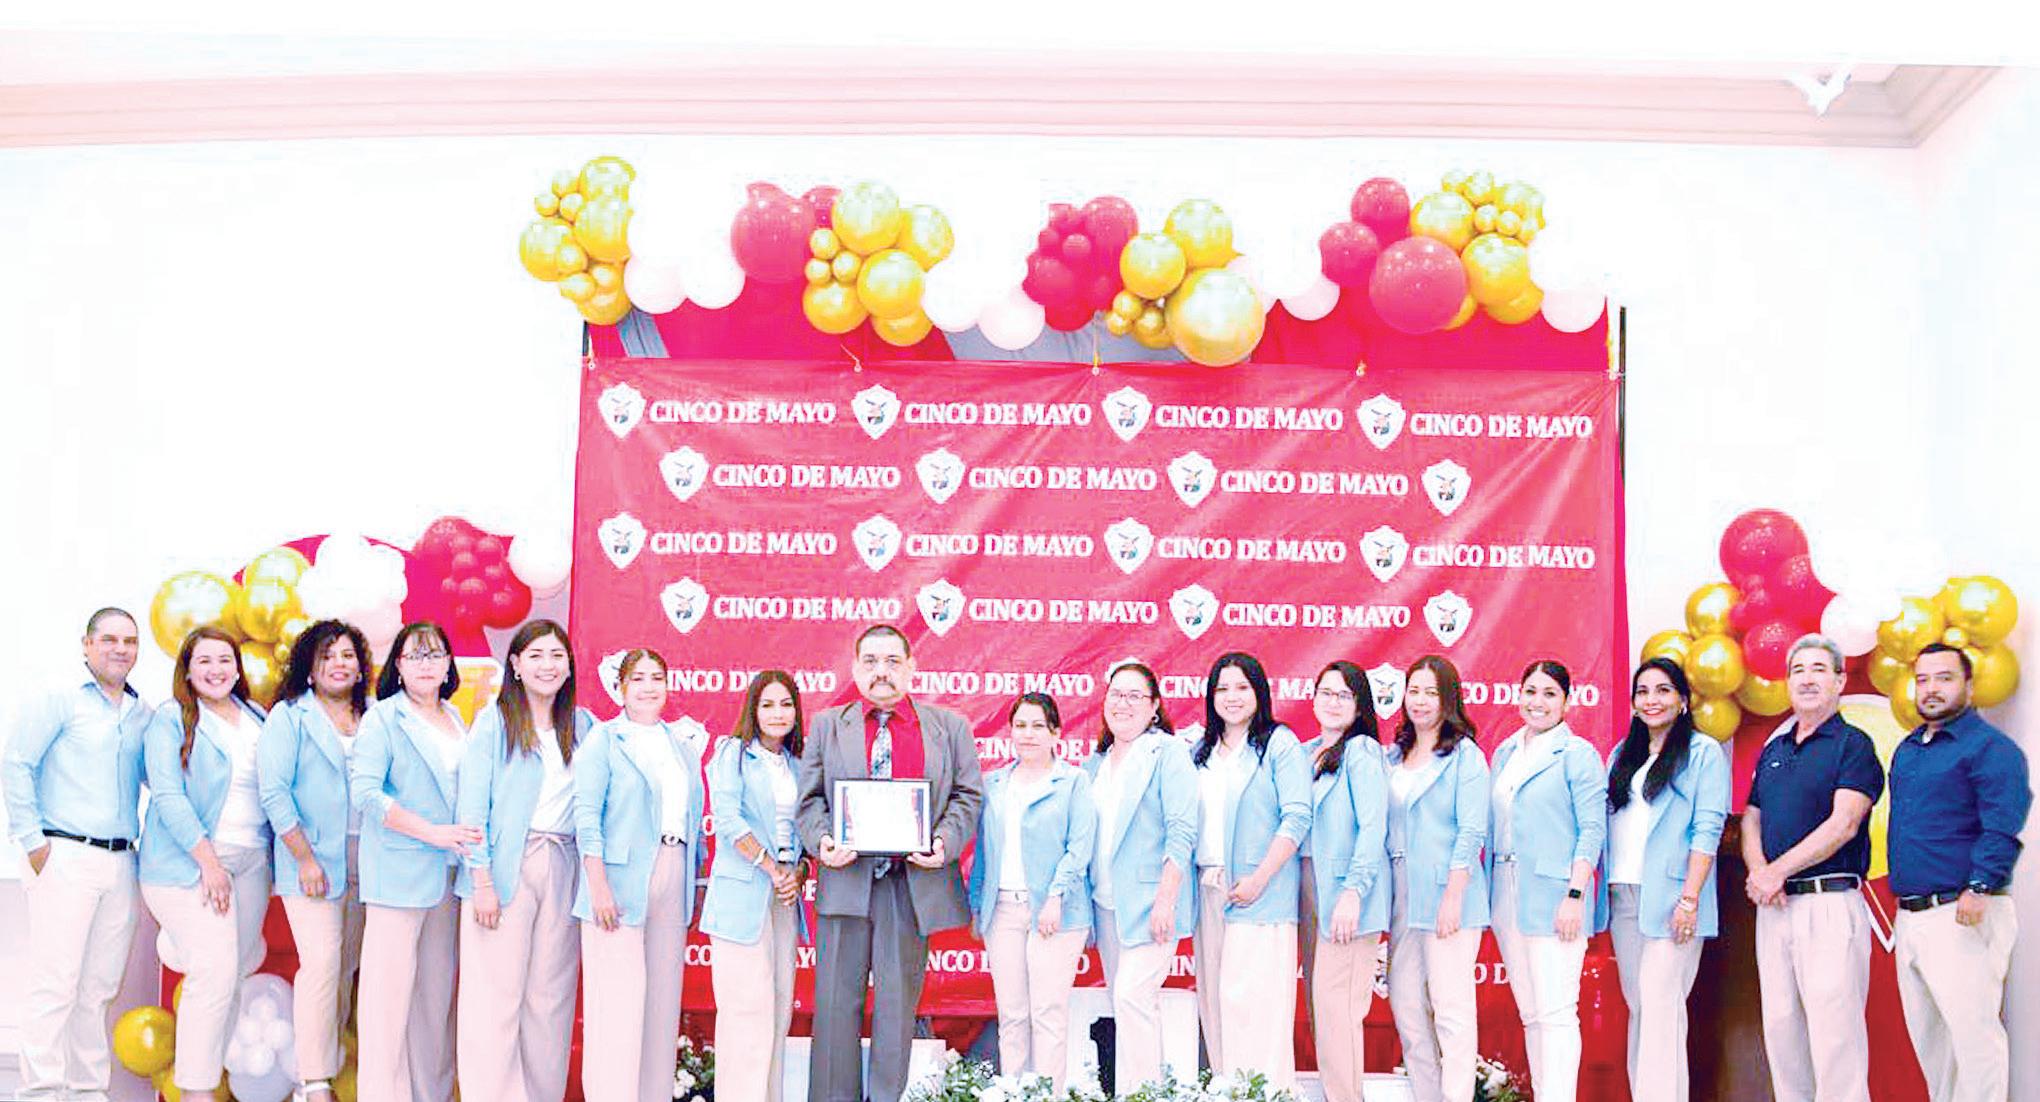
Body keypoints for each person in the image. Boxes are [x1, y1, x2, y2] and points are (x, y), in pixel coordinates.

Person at [796, 624, 984, 1102]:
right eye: (871, 662)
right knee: (834, 1008)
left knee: (897, 1010)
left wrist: (943, 841)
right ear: (855, 668)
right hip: (846, 881)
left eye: (892, 661)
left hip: (910, 886)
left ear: (911, 667)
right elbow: (810, 801)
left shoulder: (949, 728)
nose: (882, 672)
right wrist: (823, 841)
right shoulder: (827, 725)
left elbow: (967, 796)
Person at [3, 607, 149, 1101]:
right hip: (64, 854)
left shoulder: (141, 713)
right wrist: (33, 843)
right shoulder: (60, 698)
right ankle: (41, 1091)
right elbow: (17, 763)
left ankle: (87, 1091)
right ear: (86, 645)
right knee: (56, 983)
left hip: (121, 860)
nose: (120, 649)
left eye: (129, 641)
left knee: (99, 988)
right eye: (109, 639)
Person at [1742, 634, 1884, 1102]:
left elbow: (1843, 824)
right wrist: (1761, 872)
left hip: (1829, 903)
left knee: (1835, 1037)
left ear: (1840, 681)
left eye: (1819, 669)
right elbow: (1752, 818)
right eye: (1798, 670)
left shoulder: (1853, 745)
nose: (1806, 679)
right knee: (1782, 1033)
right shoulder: (1775, 749)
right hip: (1775, 907)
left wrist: (1776, 871)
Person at [455, 619, 592, 1102]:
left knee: (550, 1000)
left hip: (564, 865)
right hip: (503, 870)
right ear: (514, 664)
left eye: (556, 655)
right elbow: (472, 812)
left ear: (569, 665)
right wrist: (482, 882)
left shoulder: (585, 727)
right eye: (535, 655)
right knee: (494, 999)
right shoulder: (493, 724)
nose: (547, 665)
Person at [1888, 642, 2031, 1102]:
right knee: (1932, 1046)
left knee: (1974, 1041)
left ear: (1969, 686)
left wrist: (1979, 886)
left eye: (1944, 678)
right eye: (1923, 679)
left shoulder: (1991, 749)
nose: (1931, 688)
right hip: (1911, 915)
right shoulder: (1909, 749)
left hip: (1963, 911)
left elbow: (2002, 823)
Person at [139, 626, 275, 1102]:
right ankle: (195, 1092)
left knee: (233, 975)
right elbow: (168, 795)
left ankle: (208, 1078)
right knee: (213, 973)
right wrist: (208, 862)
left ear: (237, 668)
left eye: (224, 660)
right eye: (204, 661)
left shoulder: (255, 715)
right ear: (188, 670)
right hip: (190, 866)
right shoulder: (171, 718)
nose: (215, 670)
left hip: (252, 862)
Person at [351, 621, 478, 1102]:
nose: (427, 665)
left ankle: (433, 1094)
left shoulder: (456, 717)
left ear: (448, 665)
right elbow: (366, 794)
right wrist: (433, 833)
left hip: (449, 876)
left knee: (435, 998)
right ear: (398, 666)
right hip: (398, 875)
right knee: (386, 1003)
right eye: (415, 656)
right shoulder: (383, 718)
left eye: (435, 654)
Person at [1594, 657, 1729, 1102]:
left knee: (1660, 1009)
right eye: (1643, 691)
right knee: (1642, 1010)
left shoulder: (1703, 753)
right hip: (1624, 896)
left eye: (1663, 690)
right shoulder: (1623, 755)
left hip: (1673, 899)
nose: (1652, 700)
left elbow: (1707, 830)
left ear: (1683, 700)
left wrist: (1689, 899)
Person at [574, 647, 706, 1102]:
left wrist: (696, 884)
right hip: (617, 879)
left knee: (661, 1006)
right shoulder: (604, 740)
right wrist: (597, 886)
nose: (649, 687)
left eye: (656, 678)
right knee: (617, 1007)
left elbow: (692, 817)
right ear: (621, 687)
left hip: (673, 867)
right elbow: (586, 816)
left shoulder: (680, 746)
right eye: (638, 678)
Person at [259, 619, 373, 1101]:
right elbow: (274, 792)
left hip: (369, 859)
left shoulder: (374, 715)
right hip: (311, 860)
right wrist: (304, 858)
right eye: (327, 656)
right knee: (322, 962)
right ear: (309, 666)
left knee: (347, 965)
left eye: (347, 655)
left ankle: (334, 1058)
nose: (338, 664)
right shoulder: (289, 717)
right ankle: (315, 1080)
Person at [1486, 661, 1605, 1102]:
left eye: (1550, 693)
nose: (1538, 702)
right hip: (1506, 891)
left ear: (1567, 703)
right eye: (1531, 691)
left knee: (1556, 1013)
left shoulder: (1577, 754)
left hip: (1556, 895)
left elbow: (1591, 829)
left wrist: (1575, 894)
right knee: (1532, 1014)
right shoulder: (1505, 752)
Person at [1189, 652, 1310, 1088]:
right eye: (1222, 688)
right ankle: (1228, 1090)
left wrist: (1259, 878)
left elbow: (1297, 816)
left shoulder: (1278, 744)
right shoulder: (1200, 752)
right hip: (1209, 889)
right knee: (1216, 1004)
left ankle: (1264, 1092)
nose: (1232, 697)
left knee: (1255, 1007)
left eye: (1242, 687)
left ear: (1259, 692)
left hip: (1260, 893)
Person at [967, 693, 1094, 1089]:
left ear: (1056, 733)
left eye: (1038, 726)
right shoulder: (995, 784)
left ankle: (1047, 1094)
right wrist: (978, 906)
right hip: (1002, 911)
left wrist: (1055, 897)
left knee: (1047, 1013)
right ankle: (1014, 1091)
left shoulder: (1073, 781)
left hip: (1055, 912)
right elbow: (984, 852)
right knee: (1012, 1014)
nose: (1028, 734)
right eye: (1020, 725)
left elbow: (1079, 847)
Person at [1083, 659, 1196, 1093]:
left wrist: (1166, 899)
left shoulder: (1167, 752)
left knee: (1132, 997)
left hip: (1152, 904)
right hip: (1106, 904)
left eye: (1135, 696)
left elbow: (1181, 829)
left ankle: (1144, 1092)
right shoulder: (1096, 764)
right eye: (1116, 694)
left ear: (1154, 707)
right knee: (1126, 1004)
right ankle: (1135, 1089)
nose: (1123, 704)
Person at [1385, 654, 1490, 1102]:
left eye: (1431, 692)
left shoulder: (1465, 756)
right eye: (1414, 691)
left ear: (1449, 699)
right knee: (1406, 1002)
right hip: (1401, 892)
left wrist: (1453, 895)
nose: (1421, 701)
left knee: (1451, 1009)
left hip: (1450, 891)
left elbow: (1472, 830)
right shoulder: (1394, 754)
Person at [703, 670, 810, 1102]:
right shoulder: (731, 754)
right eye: (767, 704)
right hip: (742, 894)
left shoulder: (799, 764)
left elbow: (805, 833)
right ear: (753, 709)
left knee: (779, 1010)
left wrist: (797, 873)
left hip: (783, 896)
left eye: (786, 704)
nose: (777, 713)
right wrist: (770, 866)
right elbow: (728, 820)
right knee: (746, 1011)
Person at [1297, 660, 1390, 1102]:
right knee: (1321, 1006)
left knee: (1339, 1008)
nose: (1333, 703)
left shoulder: (1363, 752)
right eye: (1326, 693)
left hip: (1347, 892)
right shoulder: (1305, 753)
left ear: (1360, 704)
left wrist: (1354, 892)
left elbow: (1373, 828)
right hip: (1307, 885)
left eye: (1344, 695)